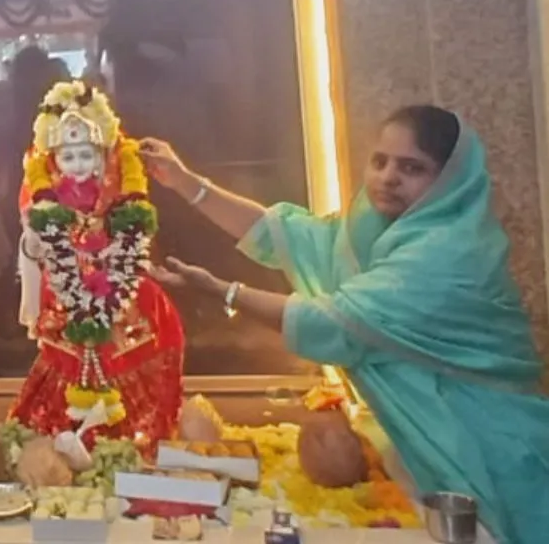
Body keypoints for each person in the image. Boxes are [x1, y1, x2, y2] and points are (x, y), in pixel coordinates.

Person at [140, 105, 549, 543]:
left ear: (448, 182)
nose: (388, 177)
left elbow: (339, 322)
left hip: (484, 445)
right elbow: (284, 234)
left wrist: (221, 290)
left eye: (412, 168)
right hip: (423, 445)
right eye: (380, 161)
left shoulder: (449, 253)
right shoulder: (373, 229)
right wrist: (183, 180)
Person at [9, 80, 185, 445]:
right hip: (66, 287)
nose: (78, 166)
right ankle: (67, 439)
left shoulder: (118, 189)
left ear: (103, 155)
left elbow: (131, 238)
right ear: (53, 160)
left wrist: (115, 258)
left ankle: (131, 435)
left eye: (86, 155)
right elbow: (35, 250)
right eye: (68, 157)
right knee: (68, 356)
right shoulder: (44, 200)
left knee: (154, 323)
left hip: (114, 287)